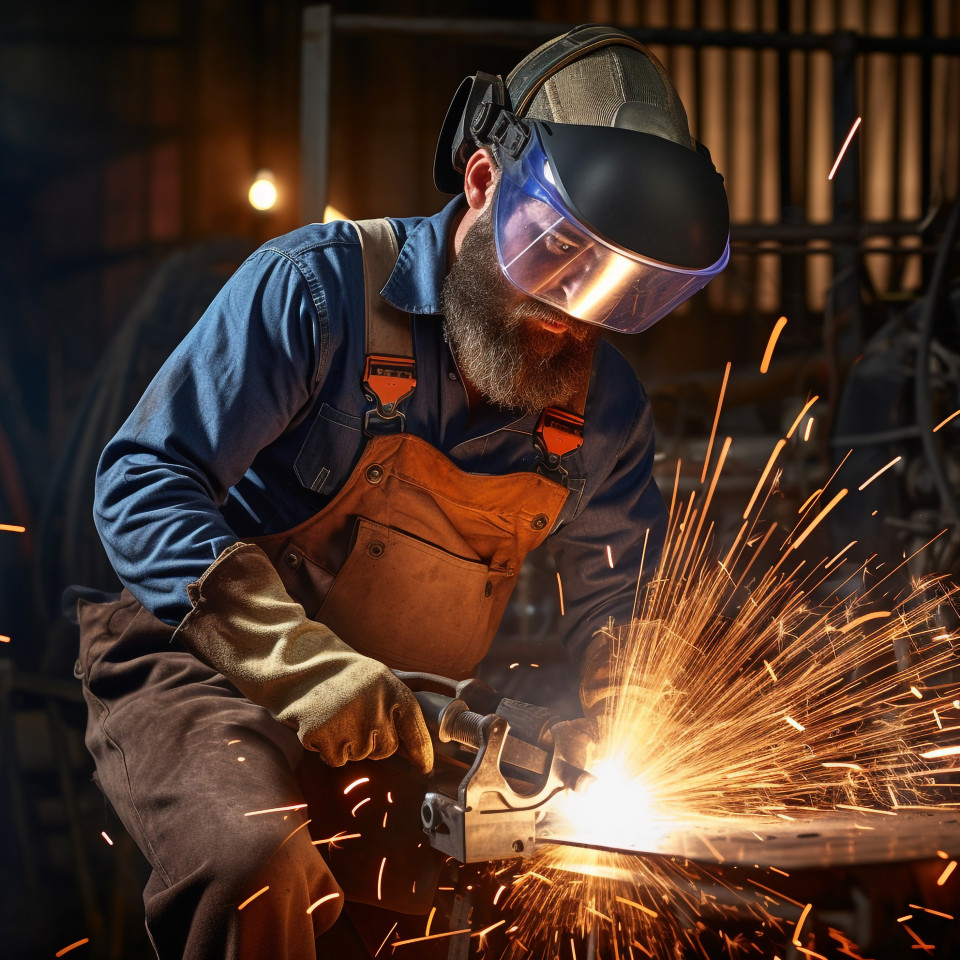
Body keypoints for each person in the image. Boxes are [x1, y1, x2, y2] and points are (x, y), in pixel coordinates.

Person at [75, 23, 729, 960]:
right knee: (255, 858)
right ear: (481, 184)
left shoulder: (604, 409)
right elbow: (141, 481)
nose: (573, 311)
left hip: (402, 712)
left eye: (615, 287)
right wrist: (300, 663)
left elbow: (625, 605)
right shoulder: (319, 292)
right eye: (557, 257)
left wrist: (627, 712)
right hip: (200, 668)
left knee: (522, 875)